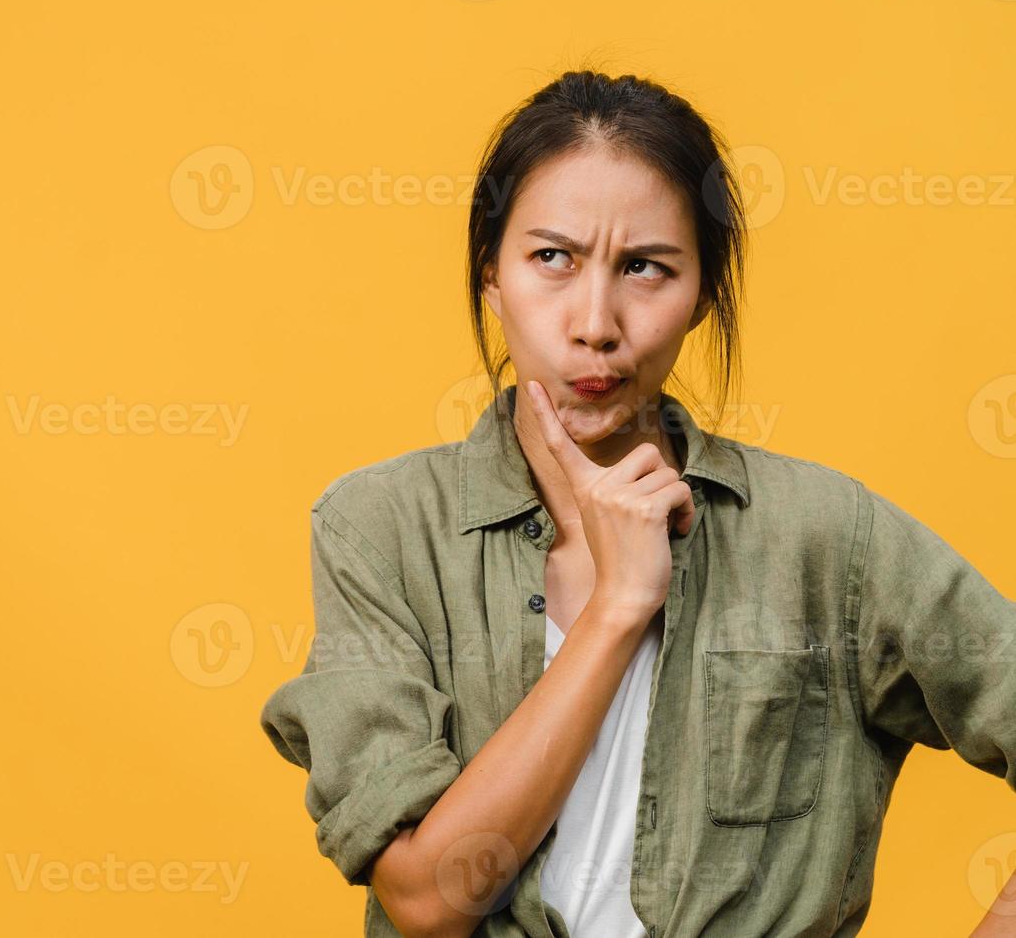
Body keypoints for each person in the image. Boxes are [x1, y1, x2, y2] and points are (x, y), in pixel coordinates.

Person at [257, 69, 1016, 938]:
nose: (595, 322)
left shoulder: (825, 536)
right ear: (491, 278)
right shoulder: (381, 527)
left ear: (701, 297)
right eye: (552, 258)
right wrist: (620, 606)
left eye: (645, 268)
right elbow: (430, 901)